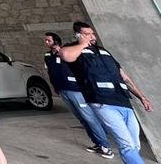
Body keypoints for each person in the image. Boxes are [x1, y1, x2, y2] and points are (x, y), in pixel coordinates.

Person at [60, 22, 153, 164]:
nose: (92, 36)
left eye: (92, 33)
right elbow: (65, 55)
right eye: (87, 34)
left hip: (124, 102)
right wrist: (83, 43)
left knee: (135, 146)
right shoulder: (75, 50)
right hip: (103, 103)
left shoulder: (103, 51)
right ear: (78, 35)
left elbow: (124, 77)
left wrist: (142, 97)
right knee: (127, 146)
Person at [44, 32, 114, 158]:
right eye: (46, 40)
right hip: (62, 90)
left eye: (49, 40)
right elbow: (50, 72)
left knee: (89, 117)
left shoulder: (67, 52)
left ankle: (105, 145)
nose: (46, 42)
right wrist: (55, 86)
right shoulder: (48, 56)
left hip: (75, 89)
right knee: (81, 118)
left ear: (56, 41)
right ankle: (97, 142)